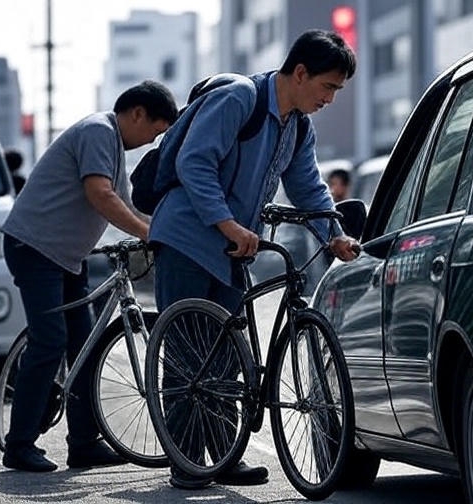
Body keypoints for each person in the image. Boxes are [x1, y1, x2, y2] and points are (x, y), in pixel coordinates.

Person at [148, 29, 361, 489]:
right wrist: (228, 224)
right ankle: (187, 461)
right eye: (327, 87)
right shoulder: (239, 98)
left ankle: (222, 456)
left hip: (232, 246)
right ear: (300, 72)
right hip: (187, 235)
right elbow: (195, 163)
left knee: (229, 353)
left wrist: (334, 237)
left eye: (336, 91)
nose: (330, 98)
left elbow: (308, 187)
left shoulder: (298, 125)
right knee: (187, 352)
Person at [0, 80, 178, 473]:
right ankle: (19, 445)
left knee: (87, 344)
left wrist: (164, 231)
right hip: (34, 248)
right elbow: (100, 195)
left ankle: (84, 443)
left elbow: (125, 206)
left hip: (65, 257)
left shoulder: (113, 145)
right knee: (50, 341)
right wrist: (147, 233)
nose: (152, 140)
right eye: (155, 130)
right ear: (137, 114)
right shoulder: (99, 130)